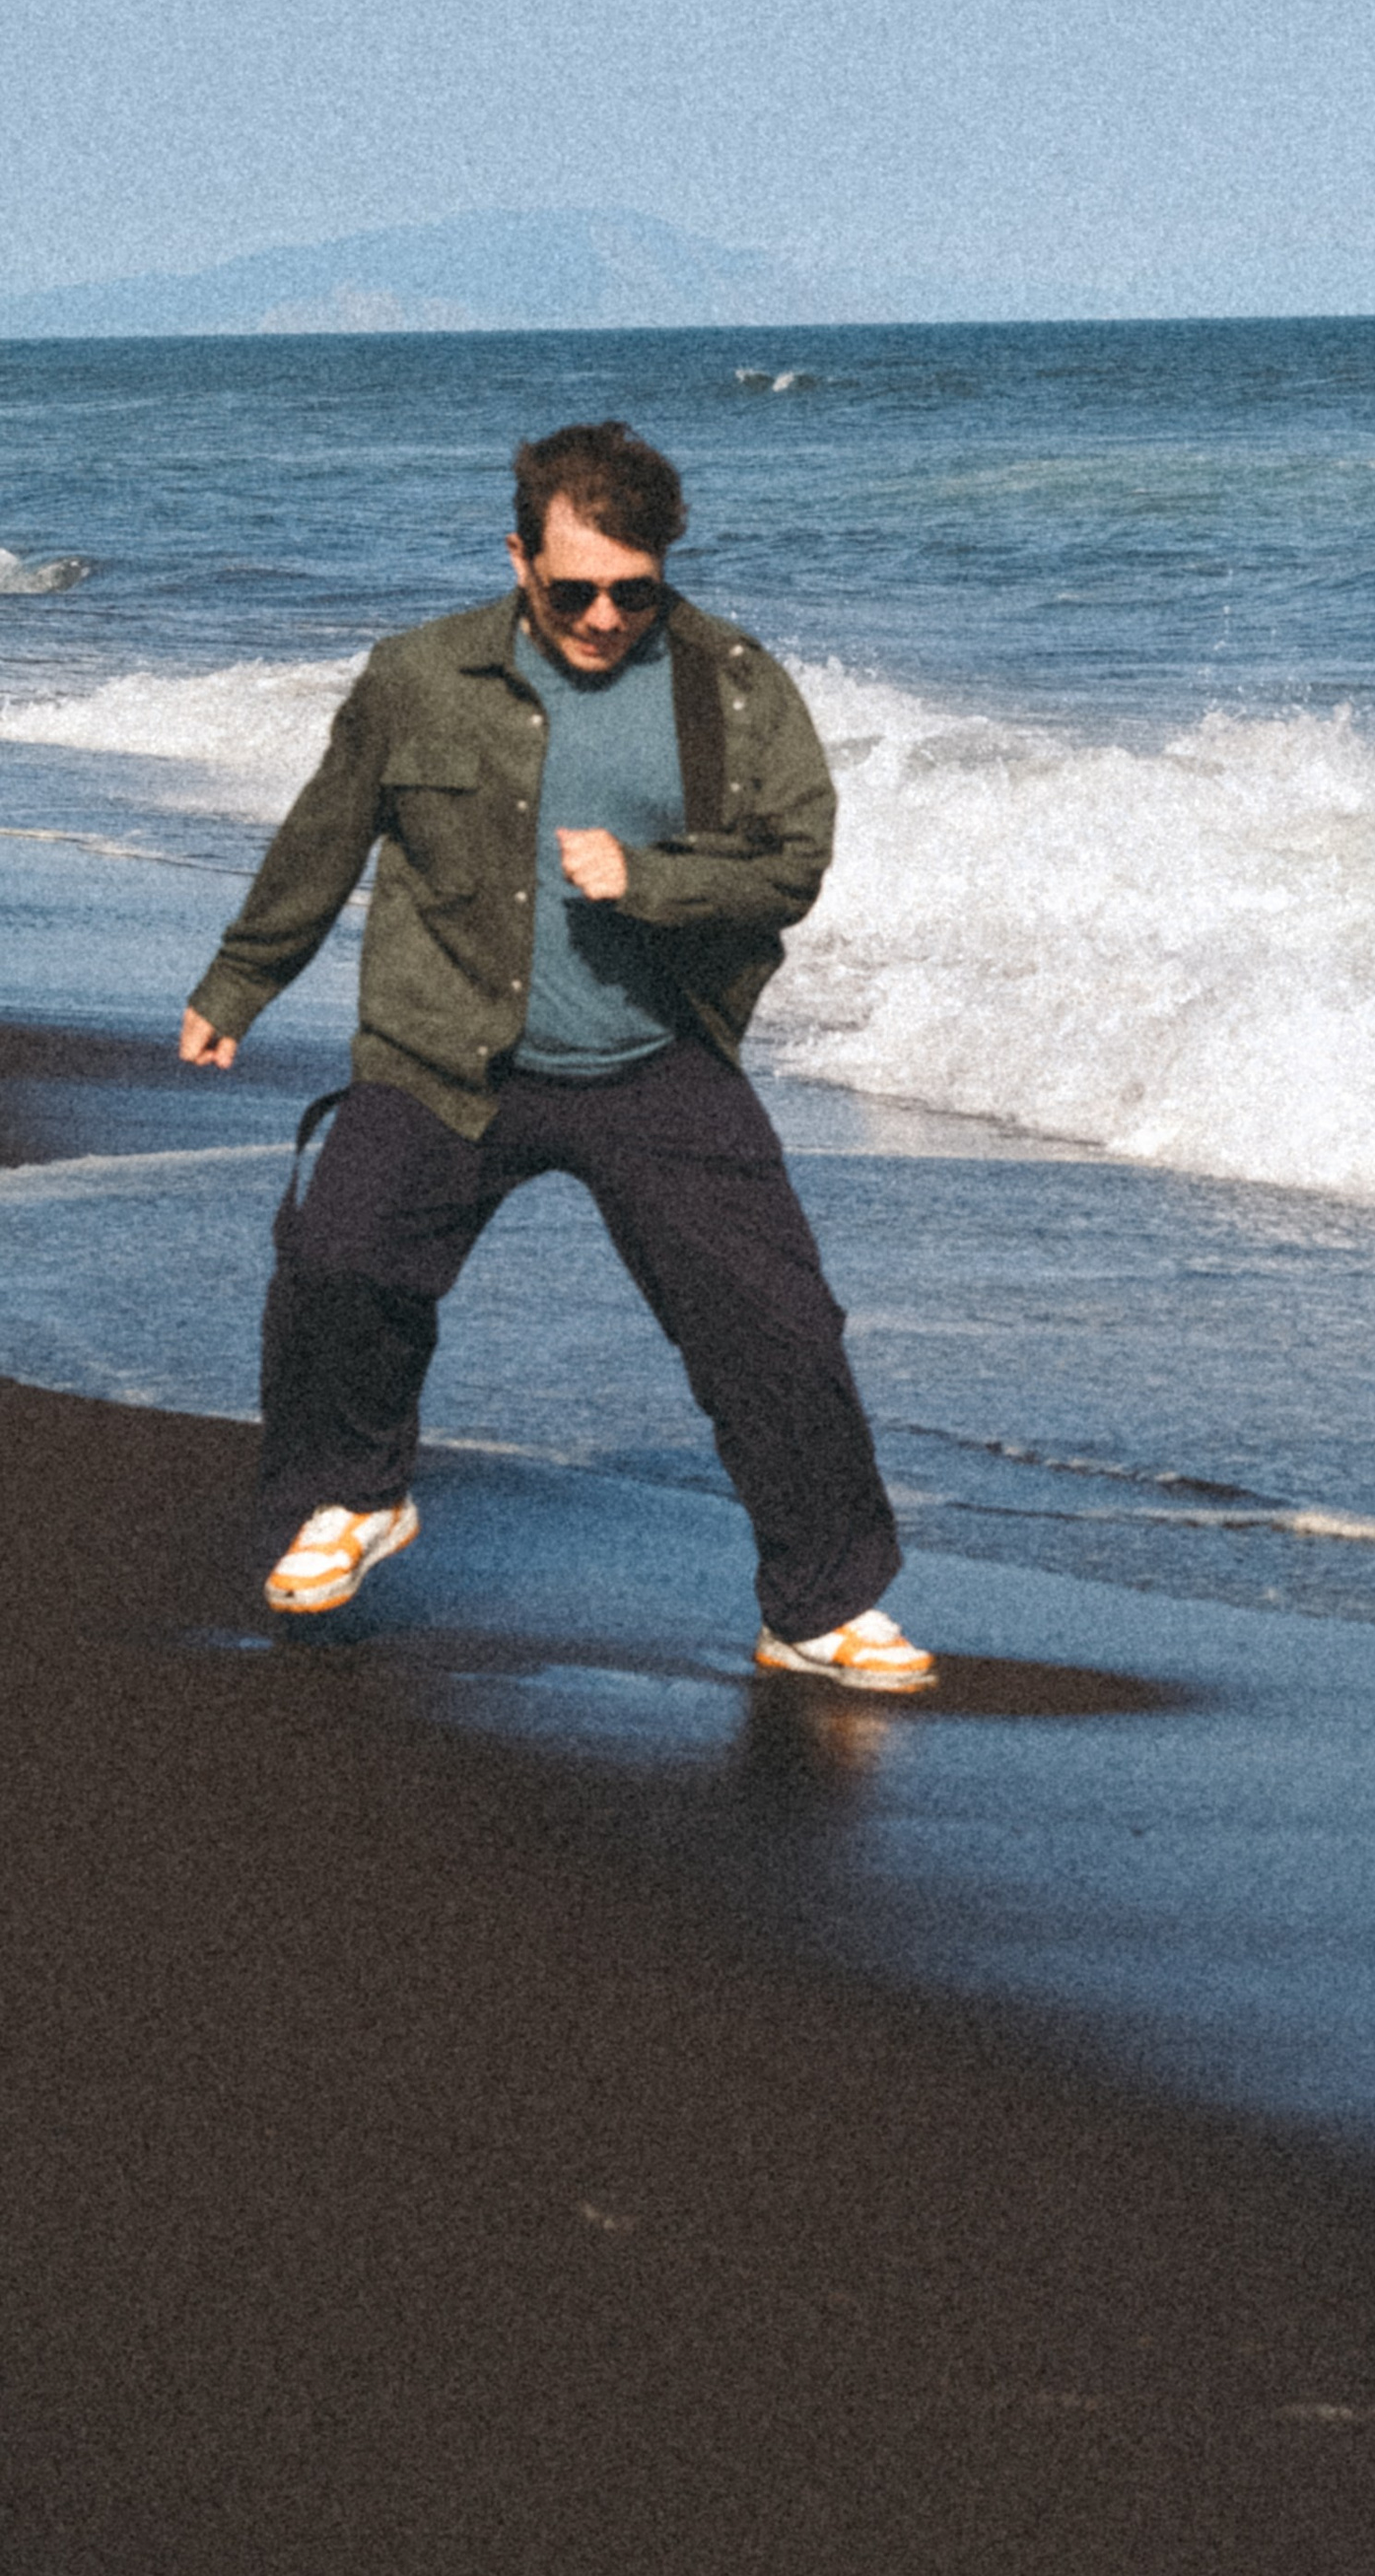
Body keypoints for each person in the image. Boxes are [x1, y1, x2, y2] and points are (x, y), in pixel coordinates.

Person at [178, 416, 932, 1692]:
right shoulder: (420, 676)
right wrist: (241, 982)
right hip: (447, 1052)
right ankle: (356, 1498)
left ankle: (819, 1606)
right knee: (340, 1254)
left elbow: (792, 864)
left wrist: (650, 878)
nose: (603, 618)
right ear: (518, 557)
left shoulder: (731, 683)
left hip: (653, 1053)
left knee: (780, 1329)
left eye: (632, 592)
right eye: (573, 589)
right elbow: (325, 834)